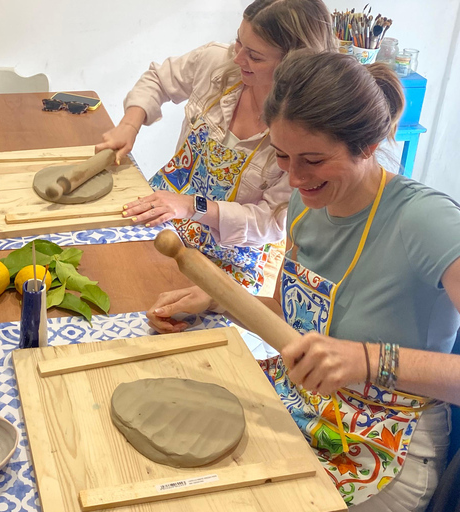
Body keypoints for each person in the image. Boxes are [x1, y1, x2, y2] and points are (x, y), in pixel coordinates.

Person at [148, 51, 460, 511]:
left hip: (388, 442)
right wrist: (219, 299)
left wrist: (368, 360)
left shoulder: (429, 222)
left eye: (312, 160)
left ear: (368, 144)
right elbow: (289, 314)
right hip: (307, 406)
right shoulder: (305, 204)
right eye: (281, 157)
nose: (294, 178)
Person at [96, 0, 336, 294]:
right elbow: (158, 79)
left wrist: (191, 206)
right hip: (165, 218)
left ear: (293, 64)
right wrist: (128, 126)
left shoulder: (305, 132)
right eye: (239, 42)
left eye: (255, 56)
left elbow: (271, 221)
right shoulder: (218, 61)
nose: (237, 58)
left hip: (231, 258)